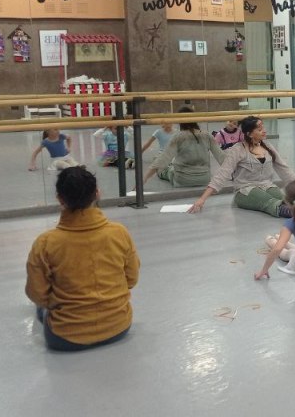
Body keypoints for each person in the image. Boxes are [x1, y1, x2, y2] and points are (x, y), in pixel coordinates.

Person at [25, 166, 140, 351]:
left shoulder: (45, 243)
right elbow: (132, 279)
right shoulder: (119, 233)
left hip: (65, 337)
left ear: (60, 199)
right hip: (119, 327)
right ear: (97, 193)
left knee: (39, 308)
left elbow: (36, 294)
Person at [189, 116, 295, 216]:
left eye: (263, 127)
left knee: (286, 200)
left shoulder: (268, 147)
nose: (264, 131)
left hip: (267, 186)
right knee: (271, 202)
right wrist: (202, 199)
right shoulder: (238, 150)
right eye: (260, 129)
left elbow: (284, 168)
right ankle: (286, 211)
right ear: (249, 134)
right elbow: (222, 174)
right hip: (245, 190)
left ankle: (293, 209)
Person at [143, 107, 225, 187]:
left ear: (180, 122)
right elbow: (222, 157)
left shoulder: (178, 137)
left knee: (163, 169)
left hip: (182, 179)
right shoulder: (207, 135)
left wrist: (144, 178)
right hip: (205, 179)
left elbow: (163, 159)